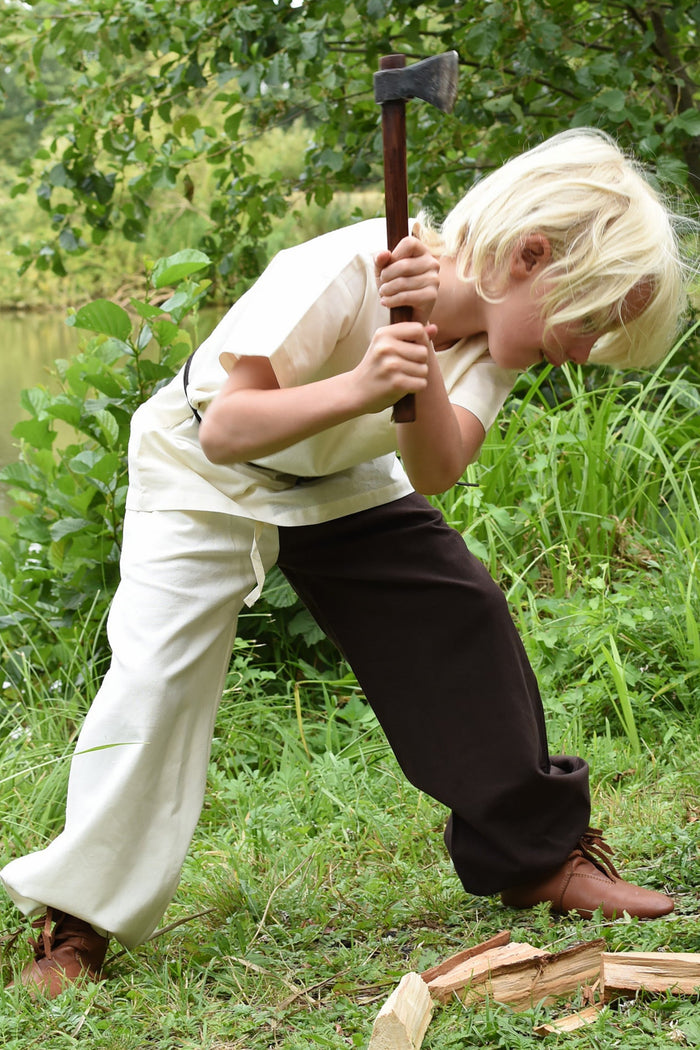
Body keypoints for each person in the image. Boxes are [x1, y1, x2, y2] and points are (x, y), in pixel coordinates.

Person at [2, 129, 688, 998]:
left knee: (460, 612)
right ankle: (80, 920)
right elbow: (228, 427)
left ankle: (537, 858)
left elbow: (436, 467)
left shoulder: (495, 344)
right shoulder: (348, 266)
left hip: (338, 479)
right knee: (157, 680)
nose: (585, 353)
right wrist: (365, 385)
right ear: (531, 255)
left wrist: (418, 379)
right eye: (588, 321)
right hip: (200, 471)